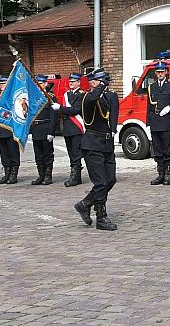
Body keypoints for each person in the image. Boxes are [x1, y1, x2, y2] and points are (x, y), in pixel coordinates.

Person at [54, 68, 119, 231]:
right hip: (92, 144)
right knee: (100, 182)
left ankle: (85, 203)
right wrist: (100, 86)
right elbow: (92, 98)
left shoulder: (108, 96)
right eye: (101, 81)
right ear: (93, 82)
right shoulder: (86, 97)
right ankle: (101, 217)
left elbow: (112, 113)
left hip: (106, 144)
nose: (104, 85)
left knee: (110, 180)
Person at [146, 61, 170, 186]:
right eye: (158, 72)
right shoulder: (151, 87)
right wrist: (148, 123)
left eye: (162, 71)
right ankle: (160, 174)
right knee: (157, 150)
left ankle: (168, 175)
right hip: (154, 121)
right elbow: (149, 106)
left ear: (166, 72)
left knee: (167, 150)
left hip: (165, 122)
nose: (160, 74)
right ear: (155, 73)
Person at [30, 74, 58, 186]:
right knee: (38, 155)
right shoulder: (33, 98)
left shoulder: (50, 97)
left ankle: (47, 176)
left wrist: (51, 132)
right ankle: (41, 175)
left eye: (40, 83)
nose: (38, 86)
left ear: (46, 84)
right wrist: (30, 131)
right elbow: (30, 116)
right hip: (36, 128)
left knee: (47, 154)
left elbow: (53, 117)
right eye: (37, 84)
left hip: (46, 128)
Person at [61, 72, 85, 186]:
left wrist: (61, 108)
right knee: (71, 153)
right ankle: (75, 175)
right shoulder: (66, 94)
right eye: (70, 81)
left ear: (78, 82)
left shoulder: (81, 95)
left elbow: (76, 110)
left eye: (73, 81)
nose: (70, 83)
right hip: (67, 128)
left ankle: (75, 176)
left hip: (76, 128)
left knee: (76, 153)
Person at [0, 75, 19, 184]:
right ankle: (7, 173)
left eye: (3, 83)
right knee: (4, 153)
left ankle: (13, 174)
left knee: (13, 152)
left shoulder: (12, 97)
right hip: (0, 130)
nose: (1, 85)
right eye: (0, 84)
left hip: (10, 129)